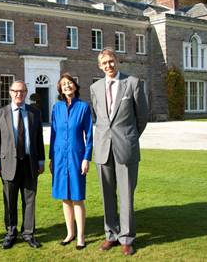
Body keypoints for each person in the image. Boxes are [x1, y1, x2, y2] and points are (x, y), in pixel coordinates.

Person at [89, 48, 149, 256]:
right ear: (100, 66)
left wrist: (129, 138)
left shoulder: (133, 83)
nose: (108, 65)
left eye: (111, 61)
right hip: (103, 148)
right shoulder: (95, 87)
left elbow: (142, 117)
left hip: (126, 148)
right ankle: (111, 235)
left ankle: (126, 238)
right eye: (104, 62)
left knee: (126, 195)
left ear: (117, 61)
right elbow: (99, 118)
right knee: (107, 195)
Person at [0, 80, 45, 249]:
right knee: (10, 200)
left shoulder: (34, 113)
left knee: (29, 200)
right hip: (8, 164)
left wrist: (42, 160)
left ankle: (28, 233)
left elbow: (38, 139)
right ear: (10, 92)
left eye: (22, 91)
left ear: (26, 92)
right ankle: (10, 233)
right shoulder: (1, 113)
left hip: (30, 162)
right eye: (15, 91)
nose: (18, 94)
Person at [49, 73, 93, 250]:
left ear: (75, 86)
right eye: (63, 84)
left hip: (76, 156)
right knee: (64, 198)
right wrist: (51, 157)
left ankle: (81, 236)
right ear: (60, 88)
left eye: (70, 83)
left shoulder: (83, 107)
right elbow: (53, 135)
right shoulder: (56, 108)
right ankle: (70, 233)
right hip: (59, 157)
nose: (67, 86)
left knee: (77, 197)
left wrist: (86, 158)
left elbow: (89, 135)